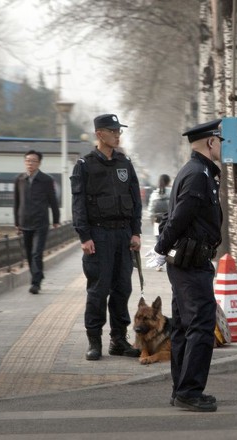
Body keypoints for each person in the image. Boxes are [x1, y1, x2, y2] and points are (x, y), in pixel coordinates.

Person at [147, 119, 224, 412]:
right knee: (201, 325)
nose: (222, 146)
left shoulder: (197, 171)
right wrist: (160, 247)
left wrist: (162, 247)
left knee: (182, 326)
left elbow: (173, 214)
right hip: (191, 265)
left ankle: (181, 388)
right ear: (210, 142)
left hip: (189, 264)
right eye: (221, 141)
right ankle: (189, 392)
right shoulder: (198, 174)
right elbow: (178, 217)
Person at [70, 113, 143, 361]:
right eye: (113, 131)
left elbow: (135, 200)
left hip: (123, 234)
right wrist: (84, 236)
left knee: (123, 288)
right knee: (98, 290)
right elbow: (78, 203)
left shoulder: (125, 163)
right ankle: (94, 342)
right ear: (99, 134)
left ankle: (119, 340)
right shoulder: (85, 165)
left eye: (119, 132)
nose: (117, 135)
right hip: (98, 235)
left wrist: (136, 232)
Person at [14, 150, 61, 294]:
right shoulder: (20, 179)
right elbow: (17, 201)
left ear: (39, 163)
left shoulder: (46, 180)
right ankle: (38, 275)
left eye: (33, 161)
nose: (30, 163)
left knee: (36, 253)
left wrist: (56, 219)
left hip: (41, 222)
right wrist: (17, 221)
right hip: (25, 221)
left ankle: (36, 283)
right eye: (27, 160)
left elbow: (53, 201)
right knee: (29, 253)